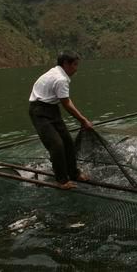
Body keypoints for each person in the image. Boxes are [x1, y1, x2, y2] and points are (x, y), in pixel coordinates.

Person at [29, 53, 93, 189]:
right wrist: (83, 120)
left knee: (68, 143)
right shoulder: (61, 79)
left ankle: (74, 173)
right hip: (39, 112)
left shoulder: (56, 72)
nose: (76, 69)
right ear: (65, 64)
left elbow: (63, 101)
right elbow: (66, 104)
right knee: (57, 145)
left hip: (52, 109)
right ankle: (62, 181)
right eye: (74, 65)